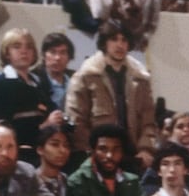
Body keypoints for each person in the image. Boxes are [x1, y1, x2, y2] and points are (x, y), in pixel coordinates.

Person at [65, 20, 158, 163]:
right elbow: (77, 120)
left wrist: (145, 150)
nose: (119, 45)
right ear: (104, 42)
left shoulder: (141, 79)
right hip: (96, 156)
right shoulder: (86, 76)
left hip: (132, 155)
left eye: (124, 40)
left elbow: (148, 121)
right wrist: (89, 152)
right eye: (114, 39)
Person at [0, 28, 65, 148]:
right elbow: (2, 128)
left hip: (41, 149)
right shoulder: (1, 85)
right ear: (7, 53)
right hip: (17, 151)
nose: (24, 51)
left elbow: (50, 110)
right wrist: (45, 125)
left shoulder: (38, 83)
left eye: (29, 47)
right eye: (17, 46)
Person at [31, 32, 76, 112]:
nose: (57, 58)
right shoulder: (33, 80)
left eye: (62, 53)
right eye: (52, 52)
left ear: (69, 57)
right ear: (44, 55)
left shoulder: (76, 78)